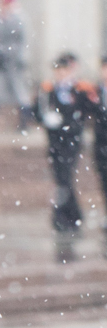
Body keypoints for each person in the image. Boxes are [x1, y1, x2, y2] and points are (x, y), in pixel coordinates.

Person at [40, 56, 92, 260]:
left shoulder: (79, 89)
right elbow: (38, 110)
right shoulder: (48, 89)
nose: (61, 74)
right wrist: (46, 118)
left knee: (65, 177)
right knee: (60, 177)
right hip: (54, 141)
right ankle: (73, 214)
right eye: (58, 70)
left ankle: (62, 216)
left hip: (72, 140)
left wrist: (70, 122)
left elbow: (88, 110)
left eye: (64, 70)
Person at [0, 0, 32, 139]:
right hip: (1, 59)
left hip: (14, 60)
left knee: (20, 91)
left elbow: (22, 39)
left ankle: (25, 122)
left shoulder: (18, 17)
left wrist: (20, 57)